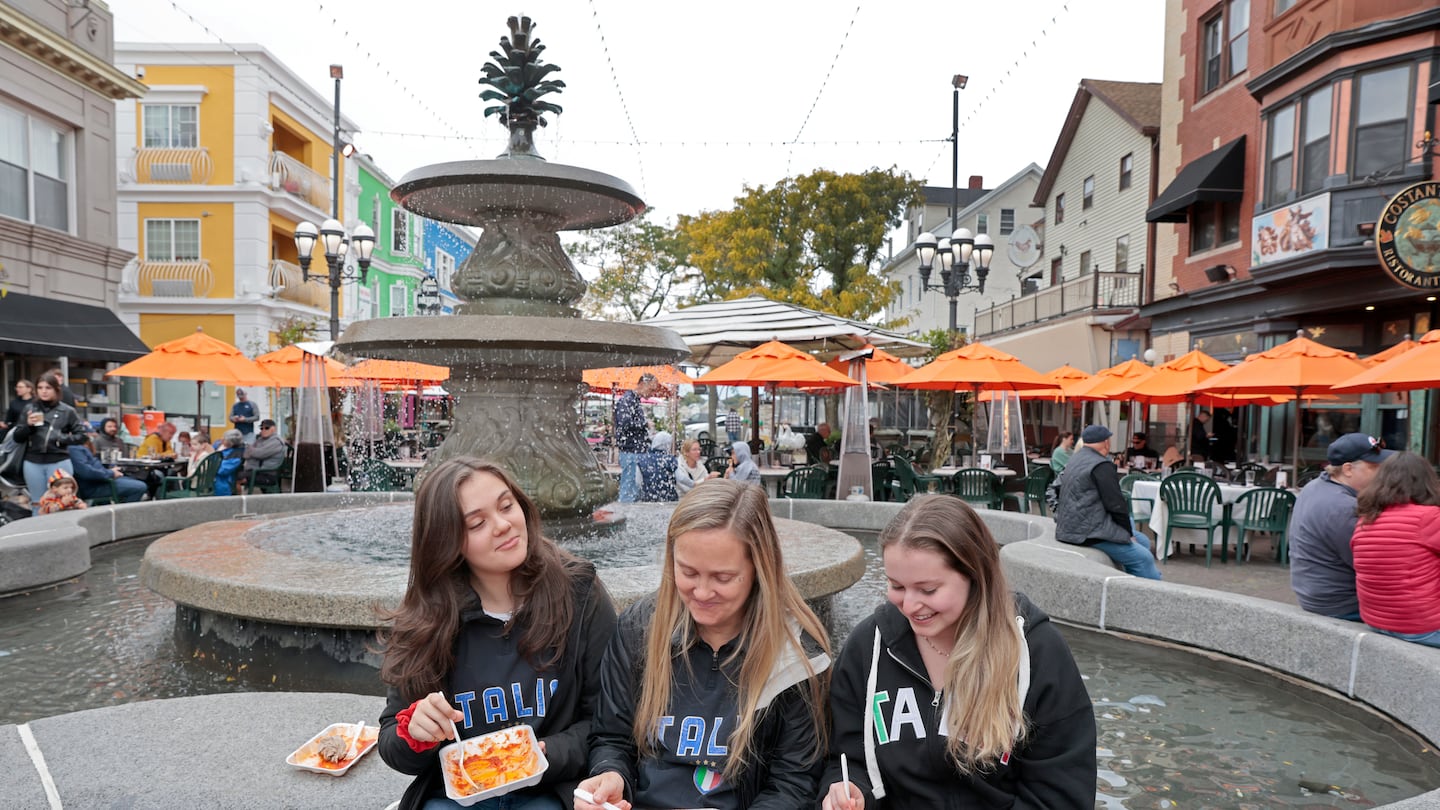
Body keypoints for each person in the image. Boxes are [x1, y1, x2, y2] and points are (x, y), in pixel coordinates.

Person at [820, 496, 1096, 809]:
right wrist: (844, 790)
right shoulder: (868, 646)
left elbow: (1062, 794)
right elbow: (844, 758)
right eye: (896, 585)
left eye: (928, 590)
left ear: (975, 577)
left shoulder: (1037, 652)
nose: (909, 606)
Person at [377, 457, 617, 810]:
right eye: (477, 523)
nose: (503, 525)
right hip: (457, 795)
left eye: (507, 505)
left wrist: (542, 753)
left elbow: (609, 721)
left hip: (552, 789)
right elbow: (393, 745)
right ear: (447, 542)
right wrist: (414, 732)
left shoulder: (578, 593)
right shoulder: (428, 617)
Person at [577, 479, 831, 810]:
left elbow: (793, 784)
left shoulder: (796, 655)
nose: (702, 592)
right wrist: (610, 775)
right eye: (688, 572)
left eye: (723, 578)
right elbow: (612, 737)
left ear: (760, 568)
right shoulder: (640, 628)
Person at [1290, 433, 1396, 620]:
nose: (1382, 472)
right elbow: (1372, 565)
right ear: (1348, 469)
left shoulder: (1316, 485)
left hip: (1313, 594)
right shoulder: (1343, 507)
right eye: (1374, 466)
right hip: (1341, 604)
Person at [1351, 452, 1440, 648]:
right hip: (1423, 627)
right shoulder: (1429, 517)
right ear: (1427, 481)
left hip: (1376, 622)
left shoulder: (1365, 520)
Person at [1053, 425, 1162, 580]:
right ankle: (1152, 594)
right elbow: (1116, 505)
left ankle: (1133, 581)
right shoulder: (1101, 465)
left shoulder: (1076, 459)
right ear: (1106, 442)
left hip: (1072, 526)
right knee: (1144, 557)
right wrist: (1128, 534)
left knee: (1144, 540)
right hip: (1089, 532)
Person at [12, 373, 88, 513]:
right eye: (40, 388)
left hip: (58, 460)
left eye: (48, 387)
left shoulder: (67, 411)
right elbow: (17, 437)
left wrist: (60, 437)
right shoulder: (30, 409)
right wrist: (28, 426)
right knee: (37, 502)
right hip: (33, 460)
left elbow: (82, 436)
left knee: (64, 500)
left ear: (56, 389)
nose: (44, 391)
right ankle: (38, 533)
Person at [614, 374, 658, 502]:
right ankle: (625, 517)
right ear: (643, 384)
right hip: (630, 451)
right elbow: (624, 423)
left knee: (633, 488)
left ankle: (627, 516)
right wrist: (645, 424)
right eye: (651, 389)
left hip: (633, 450)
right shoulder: (628, 400)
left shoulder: (633, 400)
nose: (652, 393)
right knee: (629, 489)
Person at [68, 436, 147, 504]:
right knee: (139, 487)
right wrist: (110, 473)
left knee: (136, 480)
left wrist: (110, 472)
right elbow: (86, 472)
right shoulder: (74, 449)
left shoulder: (76, 448)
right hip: (96, 485)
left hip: (101, 481)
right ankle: (124, 516)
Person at [238, 419, 286, 490]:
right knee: (232, 473)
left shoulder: (276, 442)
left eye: (266, 428)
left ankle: (237, 500)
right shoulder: (260, 440)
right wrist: (253, 450)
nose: (263, 430)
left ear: (273, 429)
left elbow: (260, 454)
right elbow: (245, 455)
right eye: (261, 428)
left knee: (236, 477)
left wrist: (251, 449)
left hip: (267, 474)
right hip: (255, 471)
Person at [636, 431, 679, 502]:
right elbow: (680, 479)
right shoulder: (670, 459)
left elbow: (638, 482)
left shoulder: (642, 459)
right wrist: (693, 484)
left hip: (648, 498)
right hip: (669, 498)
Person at [211, 430, 246, 497]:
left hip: (223, 483)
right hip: (212, 479)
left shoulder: (236, 455)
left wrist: (215, 456)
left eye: (224, 439)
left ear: (231, 443)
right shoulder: (220, 446)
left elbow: (221, 470)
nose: (221, 439)